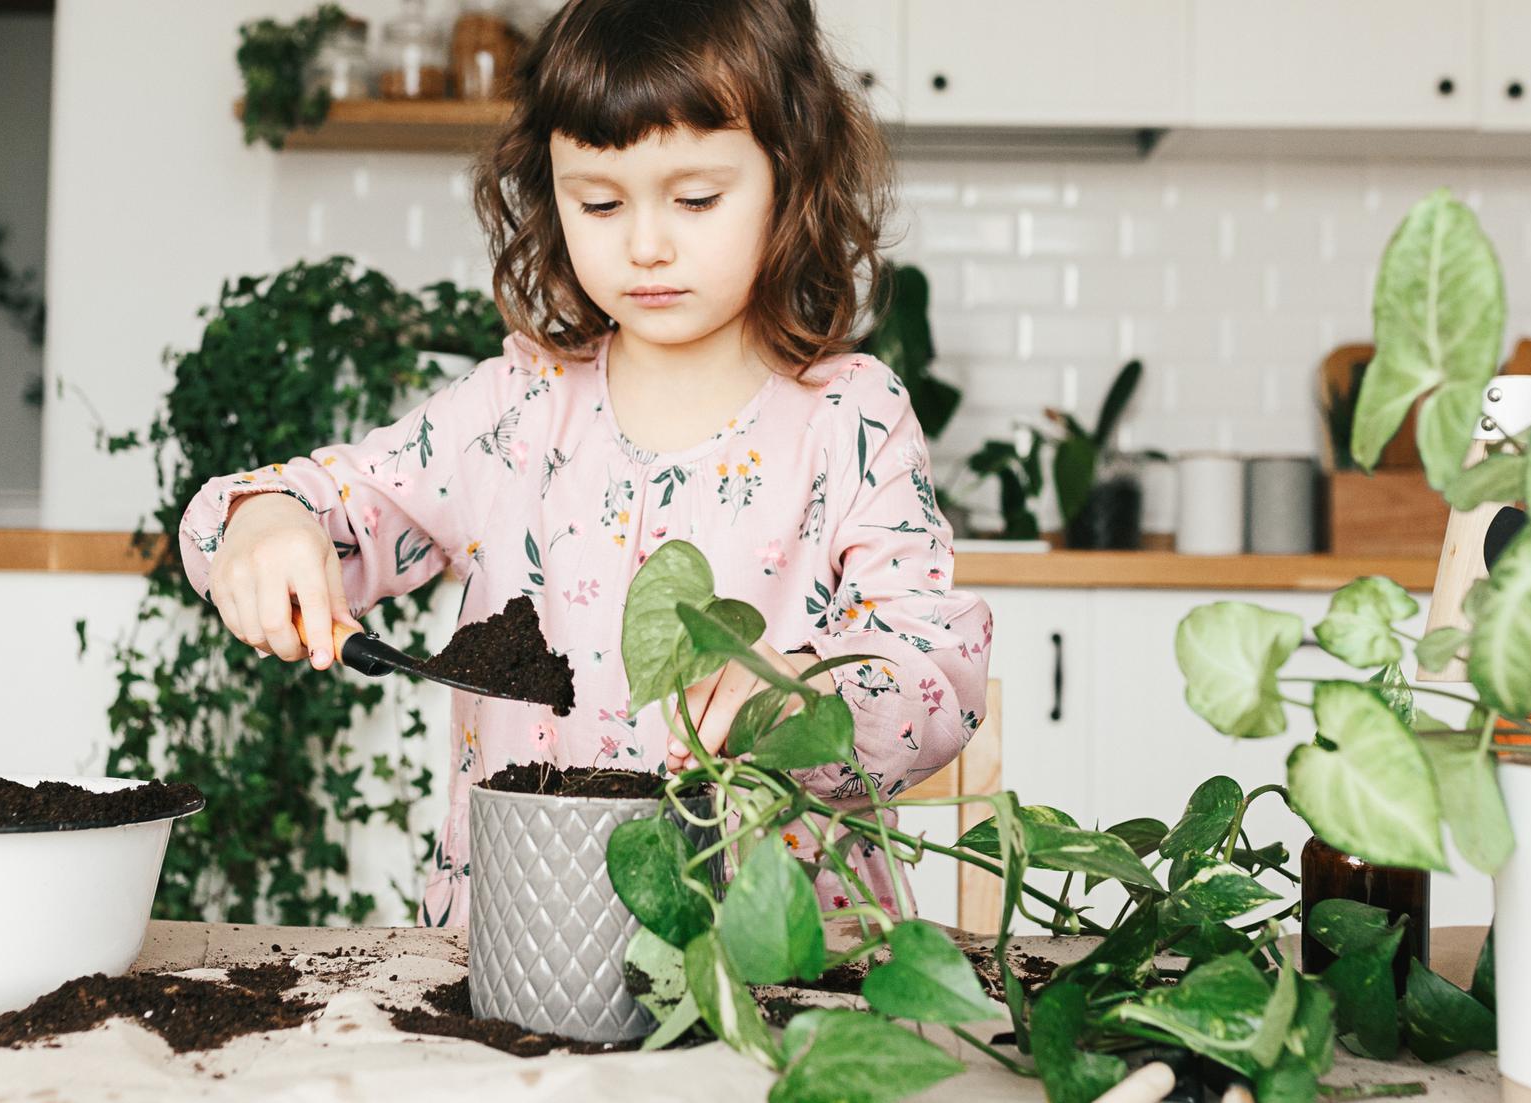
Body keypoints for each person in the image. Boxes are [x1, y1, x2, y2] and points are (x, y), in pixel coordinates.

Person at [178, 0, 991, 927]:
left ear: (789, 172)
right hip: (526, 937)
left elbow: (940, 679)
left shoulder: (851, 419)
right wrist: (270, 522)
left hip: (787, 959)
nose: (645, 243)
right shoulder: (514, 411)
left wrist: (806, 691)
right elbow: (327, 509)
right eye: (599, 202)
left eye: (695, 199)